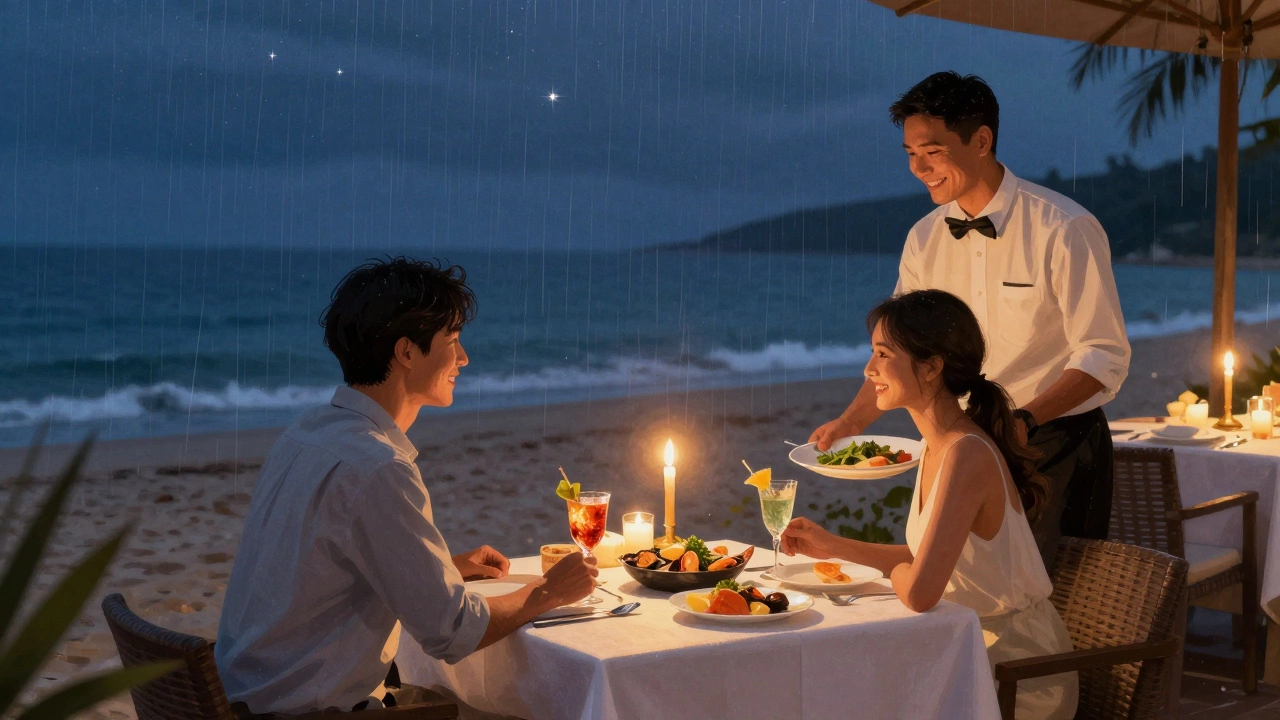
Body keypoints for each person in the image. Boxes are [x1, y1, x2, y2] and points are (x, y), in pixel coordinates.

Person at [215, 258, 596, 715]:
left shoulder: (305, 433)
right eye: (452, 342)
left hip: (246, 695)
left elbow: (307, 564)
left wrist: (439, 570)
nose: (464, 359)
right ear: (407, 353)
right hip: (304, 712)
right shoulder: (377, 467)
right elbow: (452, 631)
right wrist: (549, 592)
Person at [809, 71, 1130, 566]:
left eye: (932, 151)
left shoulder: (1064, 228)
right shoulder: (924, 237)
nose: (919, 167)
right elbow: (899, 350)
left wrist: (1021, 422)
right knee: (953, 584)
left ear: (982, 140)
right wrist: (850, 422)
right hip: (956, 442)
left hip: (1051, 444)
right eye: (910, 153)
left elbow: (1103, 355)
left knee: (1040, 597)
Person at [785, 290, 1077, 719]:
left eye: (883, 355)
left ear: (932, 367)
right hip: (963, 644)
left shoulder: (966, 453)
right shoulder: (936, 446)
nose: (869, 370)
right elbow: (928, 563)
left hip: (1015, 669)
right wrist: (833, 546)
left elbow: (921, 591)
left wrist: (904, 573)